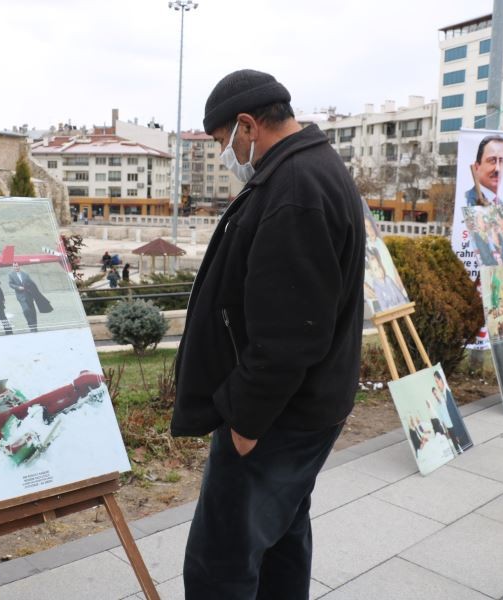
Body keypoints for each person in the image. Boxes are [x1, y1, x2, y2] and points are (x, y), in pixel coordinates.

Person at [170, 70, 365, 599]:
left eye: (220, 143)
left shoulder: (295, 187)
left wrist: (246, 420)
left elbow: (292, 330)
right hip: (303, 407)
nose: (223, 155)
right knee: (280, 537)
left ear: (247, 125)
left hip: (276, 416)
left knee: (221, 562)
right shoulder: (308, 168)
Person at [466, 135, 503, 207]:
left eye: (501, 161)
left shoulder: (501, 204)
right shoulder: (467, 200)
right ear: (477, 166)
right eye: (492, 160)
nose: (497, 169)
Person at [7, 262, 52, 333]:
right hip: (20, 296)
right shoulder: (11, 275)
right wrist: (18, 287)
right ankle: (31, 325)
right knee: (26, 310)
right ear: (13, 267)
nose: (16, 267)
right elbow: (10, 284)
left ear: (19, 266)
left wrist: (35, 292)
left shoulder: (25, 274)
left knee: (32, 311)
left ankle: (34, 326)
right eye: (14, 266)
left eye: (17, 266)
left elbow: (31, 283)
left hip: (29, 295)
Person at [434, 370, 471, 452]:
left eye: (437, 381)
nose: (437, 385)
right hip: (454, 430)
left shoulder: (447, 394)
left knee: (466, 448)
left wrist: (457, 434)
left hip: (460, 433)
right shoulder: (443, 395)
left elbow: (454, 416)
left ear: (441, 380)